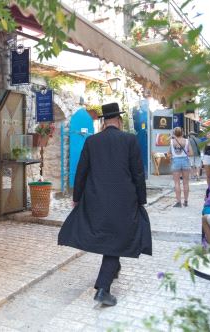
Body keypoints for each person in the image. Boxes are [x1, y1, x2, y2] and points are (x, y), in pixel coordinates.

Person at [58, 102, 151, 307]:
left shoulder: (92, 141)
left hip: (97, 199)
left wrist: (77, 198)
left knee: (111, 237)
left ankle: (113, 270)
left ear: (103, 122)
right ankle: (103, 289)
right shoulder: (130, 140)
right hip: (123, 200)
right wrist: (141, 200)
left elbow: (81, 172)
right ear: (119, 120)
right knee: (117, 238)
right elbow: (138, 174)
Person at [169, 127, 193, 207]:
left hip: (176, 161)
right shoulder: (186, 141)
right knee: (186, 182)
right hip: (185, 161)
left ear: (174, 133)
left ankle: (178, 202)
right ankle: (186, 201)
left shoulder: (172, 141)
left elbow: (169, 153)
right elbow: (191, 153)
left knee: (177, 182)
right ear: (182, 133)